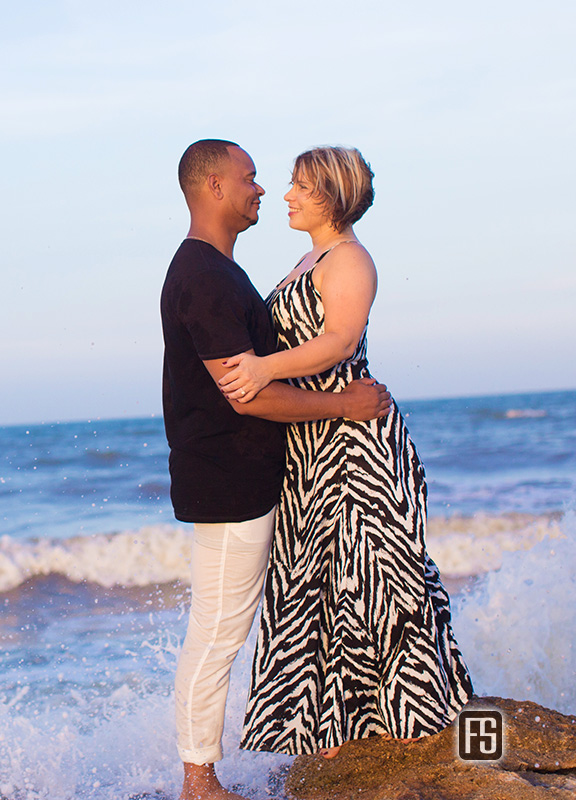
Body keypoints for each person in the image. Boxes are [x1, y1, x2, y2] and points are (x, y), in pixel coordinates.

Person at [223, 146, 474, 757]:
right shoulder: (306, 259)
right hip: (310, 444)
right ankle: (331, 730)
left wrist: (261, 369)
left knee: (374, 580)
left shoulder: (351, 259)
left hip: (355, 444)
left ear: (331, 196)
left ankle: (402, 722)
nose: (285, 195)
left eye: (300, 187)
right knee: (316, 583)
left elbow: (339, 341)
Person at [161, 139, 391, 800]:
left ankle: (348, 732)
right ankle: (199, 778)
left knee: (331, 601)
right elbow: (248, 392)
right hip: (229, 478)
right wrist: (345, 405)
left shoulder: (222, 272)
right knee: (219, 629)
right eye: (250, 178)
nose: (262, 190)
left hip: (251, 474)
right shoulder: (204, 278)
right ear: (212, 188)